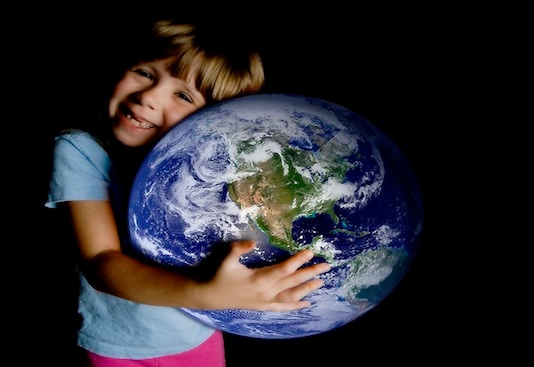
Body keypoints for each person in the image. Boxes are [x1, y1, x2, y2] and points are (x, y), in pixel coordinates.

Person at [44, 18, 330, 367]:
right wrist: (207, 294)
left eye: (182, 95)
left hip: (198, 332)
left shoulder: (212, 163)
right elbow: (101, 262)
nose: (148, 96)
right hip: (122, 345)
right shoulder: (81, 148)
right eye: (145, 73)